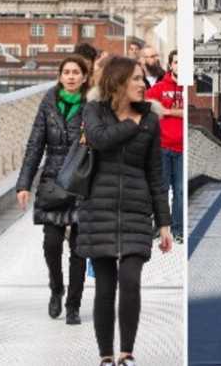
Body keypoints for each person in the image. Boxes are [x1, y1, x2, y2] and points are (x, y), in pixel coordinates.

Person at [79, 57, 172, 366]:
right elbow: (100, 140)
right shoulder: (94, 111)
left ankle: (126, 353)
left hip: (136, 209)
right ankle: (105, 355)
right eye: (135, 79)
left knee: (130, 281)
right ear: (117, 82)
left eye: (143, 79)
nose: (142, 85)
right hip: (98, 208)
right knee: (105, 286)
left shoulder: (151, 121)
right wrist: (130, 123)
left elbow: (155, 174)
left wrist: (165, 223)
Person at [15, 55, 90, 326]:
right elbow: (35, 144)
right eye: (66, 72)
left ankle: (73, 304)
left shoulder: (92, 105)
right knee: (52, 244)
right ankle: (56, 288)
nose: (70, 76)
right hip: (53, 181)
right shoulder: (48, 103)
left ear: (84, 77)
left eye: (76, 72)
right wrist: (24, 184)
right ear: (60, 76)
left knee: (80, 248)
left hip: (83, 181)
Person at [145, 50, 184, 242]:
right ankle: (161, 227)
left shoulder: (189, 89)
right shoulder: (160, 88)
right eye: (176, 62)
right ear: (170, 65)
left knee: (181, 190)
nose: (180, 65)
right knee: (161, 189)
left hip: (183, 148)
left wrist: (167, 110)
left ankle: (178, 230)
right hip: (163, 146)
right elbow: (142, 104)